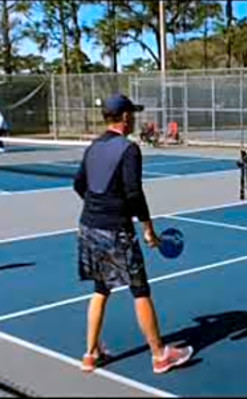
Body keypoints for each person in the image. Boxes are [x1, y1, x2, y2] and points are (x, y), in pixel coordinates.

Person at [73, 93, 193, 374]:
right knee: (140, 290)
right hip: (116, 230)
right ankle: (159, 355)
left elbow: (79, 184)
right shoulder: (129, 149)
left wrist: (97, 208)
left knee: (101, 288)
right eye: (133, 114)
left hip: (88, 226)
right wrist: (148, 229)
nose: (135, 118)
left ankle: (90, 354)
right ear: (125, 117)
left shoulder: (92, 147)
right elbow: (134, 194)